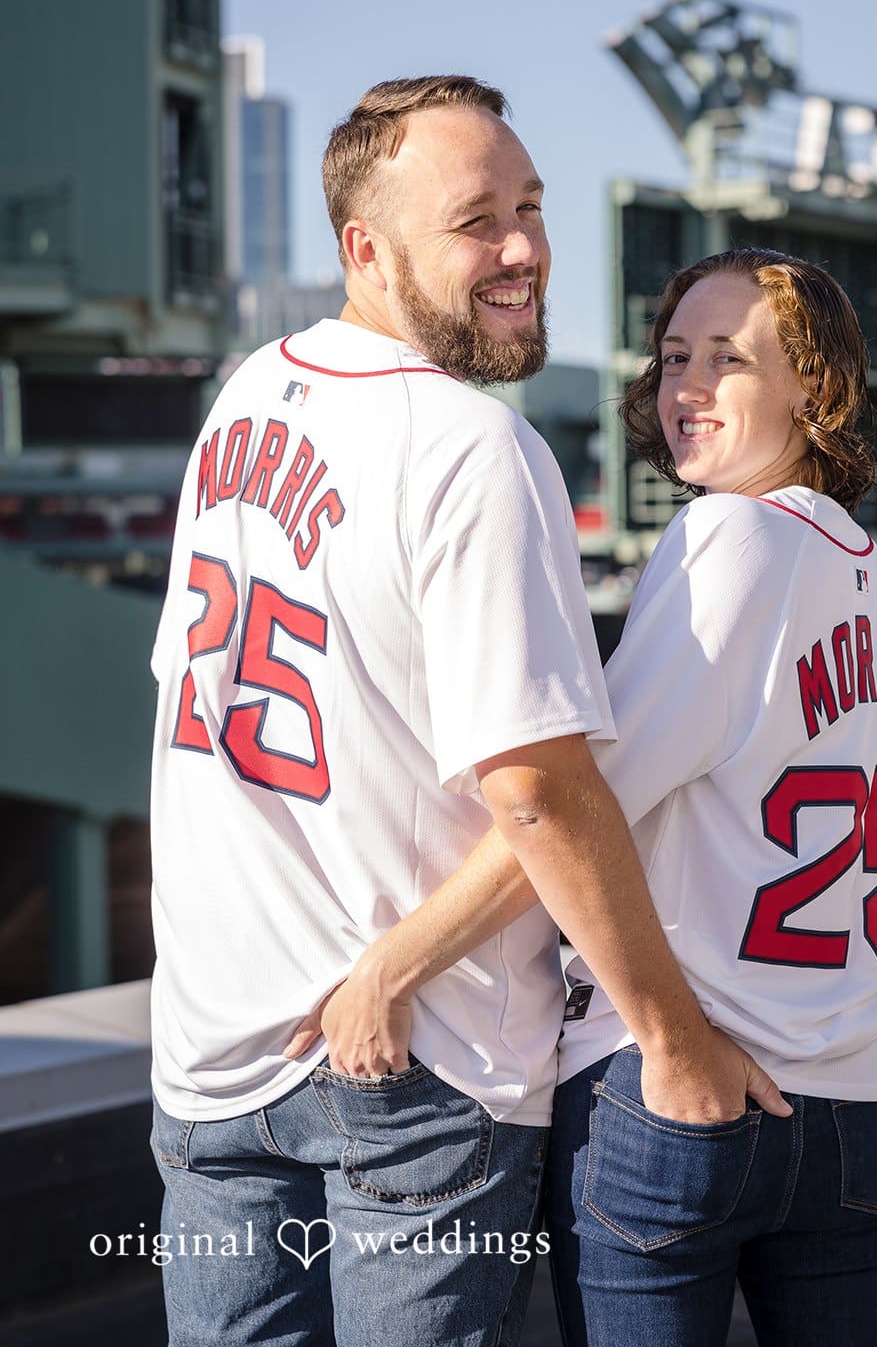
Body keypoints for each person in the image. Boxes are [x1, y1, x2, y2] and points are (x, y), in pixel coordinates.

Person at [147, 80, 787, 1347]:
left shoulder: (240, 400)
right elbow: (539, 793)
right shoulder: (470, 446)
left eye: (531, 208)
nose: (523, 251)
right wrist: (674, 1034)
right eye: (476, 220)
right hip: (414, 1069)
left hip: (210, 1048)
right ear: (364, 248)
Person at [543, 248, 877, 1347]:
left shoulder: (727, 533)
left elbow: (569, 806)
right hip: (851, 1098)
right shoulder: (866, 568)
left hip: (686, 1089)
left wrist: (400, 958)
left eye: (727, 359)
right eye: (671, 358)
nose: (687, 387)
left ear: (813, 388)